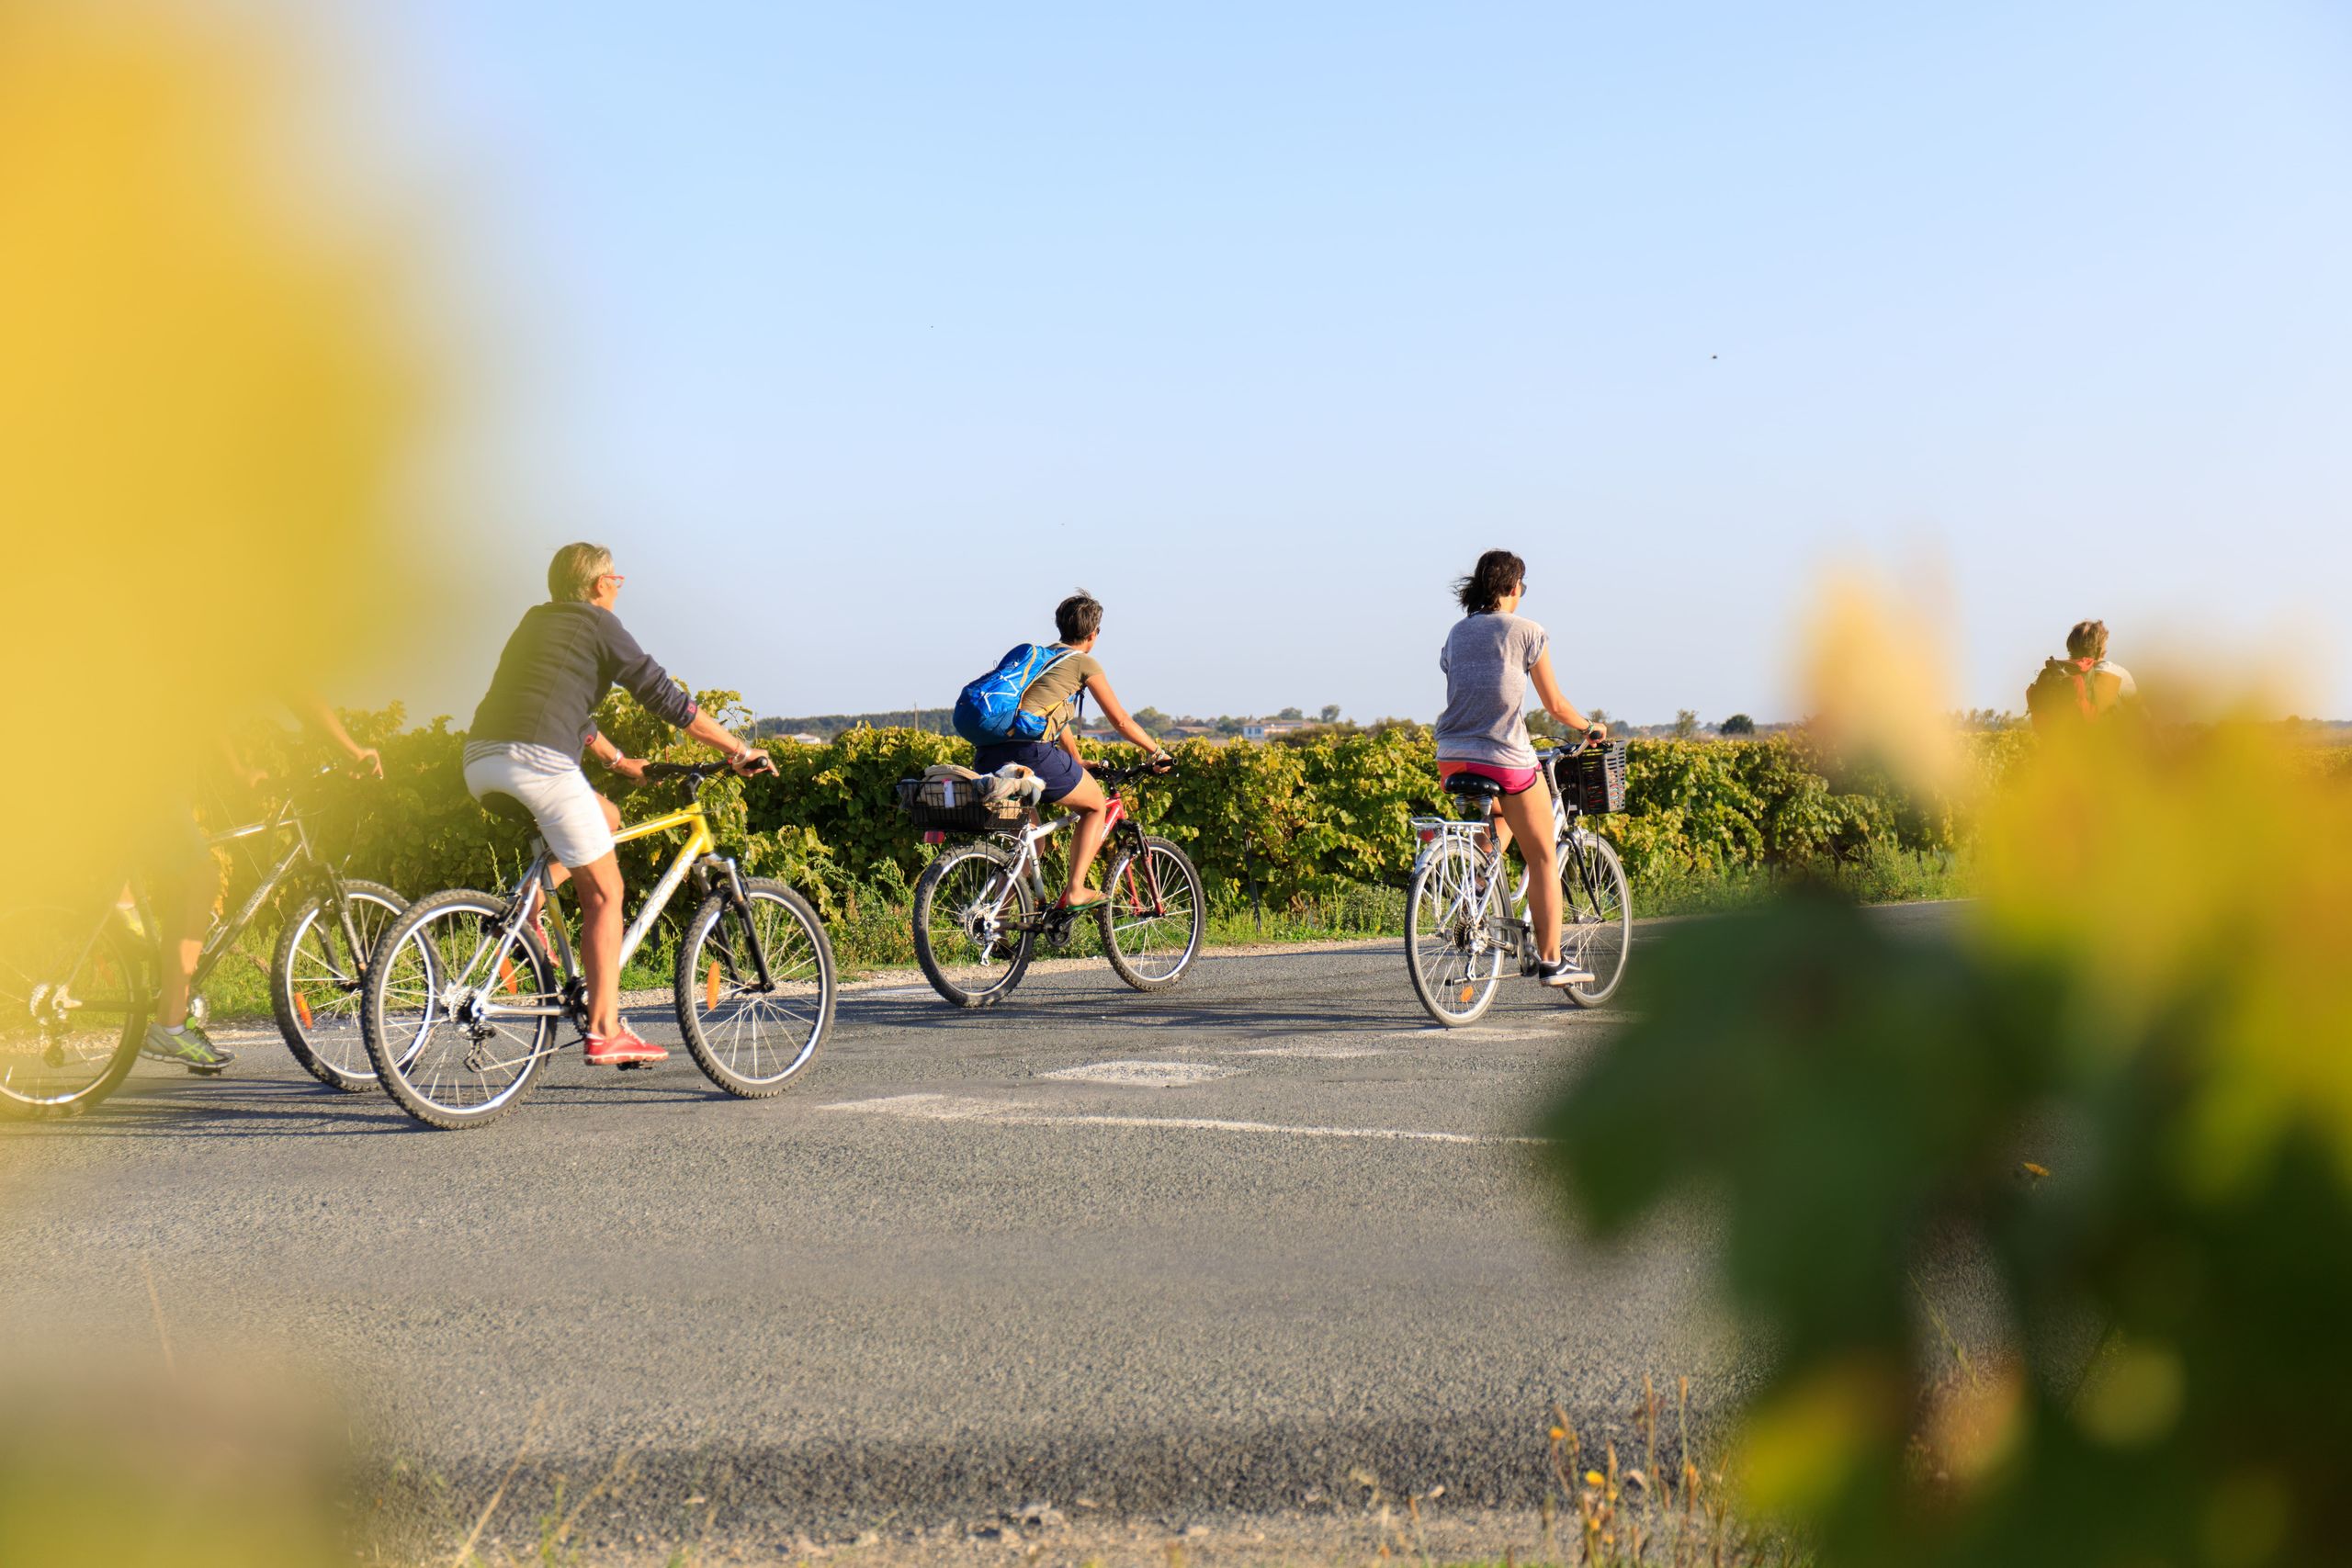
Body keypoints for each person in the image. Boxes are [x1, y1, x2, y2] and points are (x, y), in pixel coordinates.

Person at [464, 543, 770, 1066]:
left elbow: (566, 707)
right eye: (616, 577)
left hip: (481, 760)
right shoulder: (600, 625)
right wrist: (739, 750)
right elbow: (668, 700)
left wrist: (621, 762)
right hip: (539, 763)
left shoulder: (536, 622)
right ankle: (606, 1030)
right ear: (599, 583)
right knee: (606, 894)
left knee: (605, 817)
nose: (619, 585)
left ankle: (527, 904)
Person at [139, 690, 385, 1074]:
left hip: (127, 764)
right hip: (145, 774)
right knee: (201, 875)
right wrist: (352, 751)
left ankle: (156, 979)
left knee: (177, 876)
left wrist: (237, 770)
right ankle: (170, 1024)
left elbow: (203, 708)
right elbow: (295, 688)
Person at [1433, 549, 1608, 987]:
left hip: (1451, 755)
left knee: (1505, 816)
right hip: (1504, 755)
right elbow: (1555, 705)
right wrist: (1591, 727)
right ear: (1514, 588)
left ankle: (1479, 881)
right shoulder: (1528, 631)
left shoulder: (1457, 633)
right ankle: (1551, 960)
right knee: (1544, 854)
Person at [968, 591, 1170, 910]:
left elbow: (1047, 718)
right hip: (1030, 755)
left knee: (1032, 838)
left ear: (1060, 626)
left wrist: (1075, 761)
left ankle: (1001, 923)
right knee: (1094, 807)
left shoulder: (1039, 658)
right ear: (1093, 634)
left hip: (989, 753)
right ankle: (1075, 889)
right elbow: (1119, 720)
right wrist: (1156, 752)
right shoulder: (1083, 663)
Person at [2027, 618, 2138, 730]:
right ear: (2100, 650)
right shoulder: (2115, 672)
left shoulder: (2057, 673)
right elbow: (2141, 715)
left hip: (2055, 743)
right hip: (2099, 742)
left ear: (2070, 648)